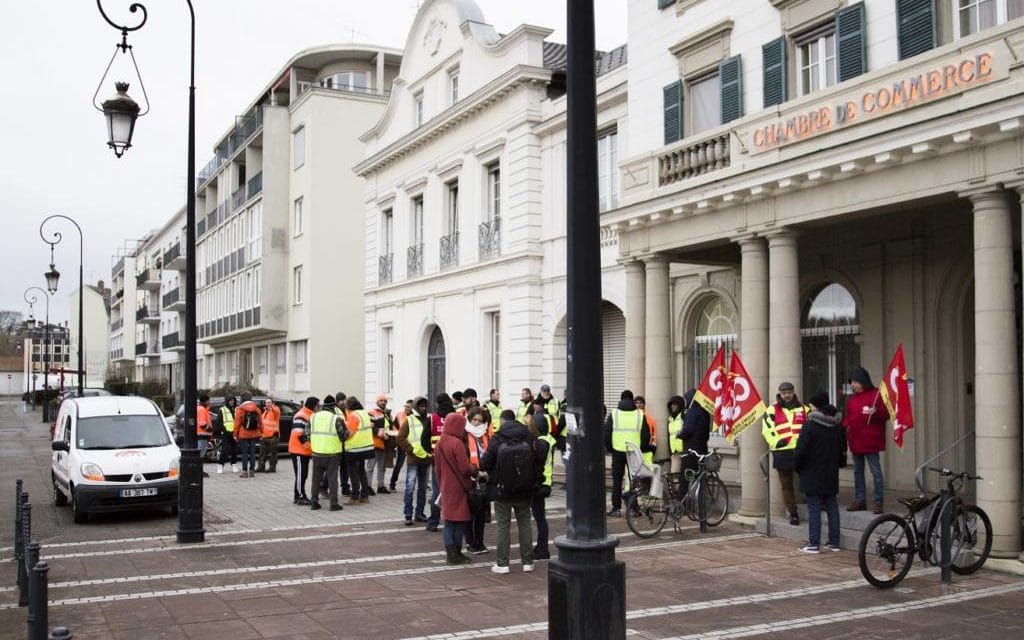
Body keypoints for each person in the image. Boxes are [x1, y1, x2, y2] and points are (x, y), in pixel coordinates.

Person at [480, 409, 544, 574]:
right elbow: (539, 459)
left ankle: (503, 564)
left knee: (503, 525)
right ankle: (527, 562)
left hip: (502, 489)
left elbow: (484, 464)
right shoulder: (529, 436)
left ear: (502, 421)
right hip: (525, 488)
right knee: (525, 524)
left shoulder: (497, 438)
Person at [794, 391, 846, 553]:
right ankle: (834, 542)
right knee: (831, 504)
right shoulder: (837, 426)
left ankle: (814, 543)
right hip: (830, 471)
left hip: (812, 471)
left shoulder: (810, 426)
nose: (809, 409)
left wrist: (798, 467)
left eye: (811, 406)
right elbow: (842, 449)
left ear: (816, 407)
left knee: (814, 507)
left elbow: (801, 450)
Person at [434, 412, 481, 565]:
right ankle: (456, 553)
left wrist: (441, 484)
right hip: (459, 487)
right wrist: (475, 468)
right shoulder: (457, 443)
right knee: (460, 520)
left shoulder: (440, 442)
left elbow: (437, 468)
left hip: (446, 485)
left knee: (448, 521)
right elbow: (465, 468)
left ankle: (451, 553)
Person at [843, 367, 889, 514]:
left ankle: (878, 501)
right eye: (852, 382)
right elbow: (849, 418)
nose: (853, 385)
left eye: (855, 382)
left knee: (875, 471)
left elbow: (887, 413)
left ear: (863, 381)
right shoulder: (852, 400)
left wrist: (876, 412)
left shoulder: (877, 395)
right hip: (855, 440)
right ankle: (860, 499)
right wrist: (843, 427)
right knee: (858, 471)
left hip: (871, 440)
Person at [762, 382, 808, 525]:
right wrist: (776, 442)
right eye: (784, 393)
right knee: (786, 485)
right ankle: (793, 513)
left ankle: (815, 504)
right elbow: (767, 430)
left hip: (802, 451)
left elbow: (810, 429)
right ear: (780, 394)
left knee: (807, 480)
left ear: (793, 392)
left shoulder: (804, 409)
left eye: (789, 392)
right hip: (782, 451)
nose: (787, 395)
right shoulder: (771, 410)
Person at [604, 390, 653, 517]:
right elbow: (645, 435)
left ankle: (616, 508)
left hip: (618, 451)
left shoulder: (614, 414)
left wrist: (610, 448)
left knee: (617, 480)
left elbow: (607, 433)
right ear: (632, 400)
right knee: (634, 481)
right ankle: (633, 509)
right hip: (633, 452)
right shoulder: (639, 415)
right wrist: (640, 449)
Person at [306, 395, 348, 511]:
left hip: (317, 453)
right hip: (332, 454)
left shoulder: (313, 417)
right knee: (332, 478)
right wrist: (348, 432)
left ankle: (314, 502)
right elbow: (343, 436)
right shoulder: (336, 419)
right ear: (334, 407)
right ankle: (333, 504)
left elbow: (307, 433)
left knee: (316, 478)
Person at [398, 396, 432, 526]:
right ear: (417, 407)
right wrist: (411, 450)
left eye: (425, 406)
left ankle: (419, 513)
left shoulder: (429, 420)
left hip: (426, 458)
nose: (423, 408)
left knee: (422, 488)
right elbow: (400, 438)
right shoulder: (409, 420)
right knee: (410, 488)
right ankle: (408, 514)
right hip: (413, 459)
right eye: (421, 406)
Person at [425, 393, 455, 531]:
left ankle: (433, 522)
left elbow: (424, 440)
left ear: (437, 404)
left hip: (437, 459)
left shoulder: (432, 419)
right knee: (454, 489)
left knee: (437, 490)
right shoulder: (457, 418)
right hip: (454, 459)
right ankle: (453, 519)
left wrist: (431, 453)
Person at [465, 407, 491, 554]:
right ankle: (470, 542)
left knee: (481, 513)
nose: (476, 423)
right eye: (474, 420)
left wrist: (486, 473)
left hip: (483, 478)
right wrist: (474, 472)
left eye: (479, 421)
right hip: (469, 477)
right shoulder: (465, 434)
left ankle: (479, 541)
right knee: (469, 512)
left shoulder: (486, 436)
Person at [531, 407, 556, 560]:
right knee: (540, 516)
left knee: (540, 517)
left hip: (541, 484)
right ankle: (541, 547)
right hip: (544, 482)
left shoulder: (541, 442)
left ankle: (542, 548)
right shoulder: (547, 440)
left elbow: (537, 462)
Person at [678, 387, 711, 494]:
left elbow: (688, 430)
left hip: (690, 451)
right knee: (700, 480)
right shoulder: (705, 412)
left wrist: (680, 435)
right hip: (702, 450)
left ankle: (682, 503)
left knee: (685, 479)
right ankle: (702, 508)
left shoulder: (692, 412)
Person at [343, 396, 374, 505]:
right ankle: (364, 496)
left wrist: (342, 436)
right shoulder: (364, 414)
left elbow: (349, 434)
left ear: (349, 406)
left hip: (354, 449)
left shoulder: (353, 415)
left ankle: (354, 497)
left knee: (353, 473)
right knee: (361, 472)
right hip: (366, 447)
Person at [289, 397, 315, 505]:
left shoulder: (309, 414)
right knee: (300, 474)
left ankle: (300, 495)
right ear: (313, 405)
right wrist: (309, 447)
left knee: (303, 474)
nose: (319, 407)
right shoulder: (302, 415)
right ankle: (299, 496)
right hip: (298, 450)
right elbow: (299, 433)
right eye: (318, 405)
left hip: (304, 451)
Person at [368, 394, 393, 494]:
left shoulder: (387, 414)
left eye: (385, 401)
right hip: (374, 443)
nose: (383, 402)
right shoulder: (371, 413)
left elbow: (390, 427)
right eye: (381, 400)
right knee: (370, 467)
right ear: (377, 402)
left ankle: (380, 486)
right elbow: (370, 427)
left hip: (384, 443)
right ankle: (368, 486)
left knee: (382, 467)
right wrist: (380, 434)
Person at [234, 393, 263, 478]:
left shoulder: (240, 409)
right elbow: (261, 423)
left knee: (244, 453)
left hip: (243, 434)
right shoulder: (257, 409)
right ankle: (252, 471)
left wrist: (235, 434)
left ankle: (244, 472)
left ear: (242, 400)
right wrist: (261, 432)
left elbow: (237, 423)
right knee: (253, 453)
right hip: (254, 434)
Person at [389, 399, 414, 493]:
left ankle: (413, 484)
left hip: (413, 444)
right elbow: (394, 427)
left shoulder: (415, 416)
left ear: (412, 407)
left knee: (414, 465)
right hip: (403, 443)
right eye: (405, 406)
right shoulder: (399, 415)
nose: (406, 408)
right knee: (399, 464)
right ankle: (392, 484)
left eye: (408, 406)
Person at [257, 397, 281, 473]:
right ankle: (261, 467)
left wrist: (271, 408)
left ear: (273, 403)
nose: (268, 404)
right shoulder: (264, 412)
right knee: (262, 454)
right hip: (264, 436)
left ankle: (272, 468)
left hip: (273, 436)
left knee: (273, 454)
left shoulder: (275, 410)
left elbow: (275, 411)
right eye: (266, 402)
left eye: (269, 402)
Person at [216, 395, 239, 474]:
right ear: (227, 401)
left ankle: (234, 464)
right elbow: (219, 422)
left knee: (234, 450)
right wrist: (223, 430)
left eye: (233, 400)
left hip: (235, 433)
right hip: (226, 433)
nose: (232, 402)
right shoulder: (222, 410)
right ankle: (220, 465)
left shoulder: (236, 409)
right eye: (230, 400)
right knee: (225, 450)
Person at [665, 395, 686, 474]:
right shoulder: (670, 419)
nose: (673, 407)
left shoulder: (683, 416)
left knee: (685, 476)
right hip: (675, 453)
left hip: (684, 451)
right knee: (674, 475)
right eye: (671, 405)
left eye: (675, 405)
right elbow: (669, 436)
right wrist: (670, 451)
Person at [634, 395, 658, 466]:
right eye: (636, 403)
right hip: (635, 449)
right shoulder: (632, 418)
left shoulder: (650, 419)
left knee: (647, 472)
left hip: (647, 450)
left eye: (640, 403)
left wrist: (653, 448)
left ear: (644, 405)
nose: (638, 405)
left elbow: (654, 435)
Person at [196, 395, 213, 478]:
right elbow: (202, 423)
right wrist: (210, 429)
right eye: (208, 401)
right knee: (201, 455)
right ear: (204, 401)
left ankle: (198, 471)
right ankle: (199, 471)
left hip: (201, 435)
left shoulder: (200, 409)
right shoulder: (202, 410)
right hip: (202, 435)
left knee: (200, 454)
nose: (209, 402)